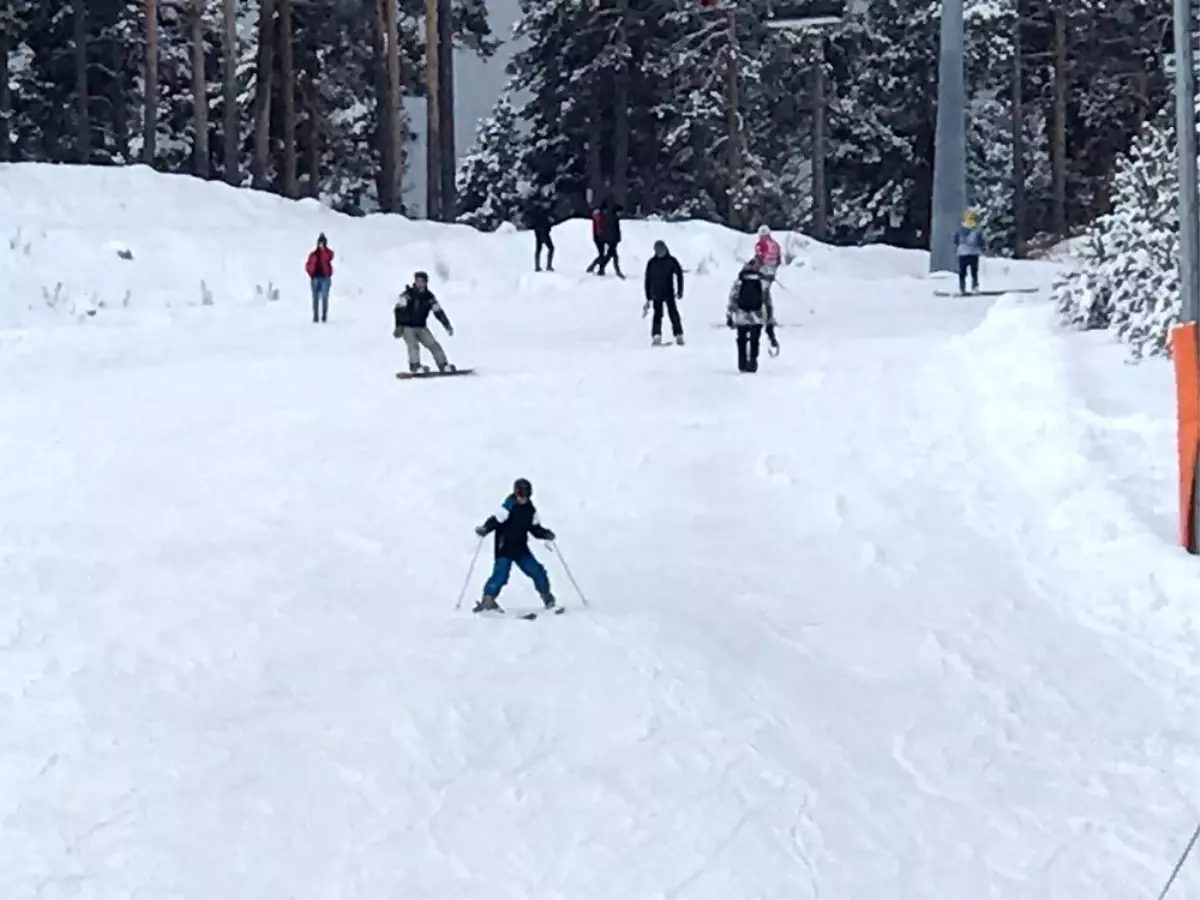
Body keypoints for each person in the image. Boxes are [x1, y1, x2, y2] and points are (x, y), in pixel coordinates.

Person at [472, 478, 558, 613]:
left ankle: (547, 598)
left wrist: (545, 534)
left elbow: (535, 529)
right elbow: (495, 520)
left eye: (526, 496)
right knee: (501, 575)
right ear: (516, 493)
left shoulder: (530, 510)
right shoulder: (508, 505)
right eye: (521, 495)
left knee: (537, 570)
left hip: (520, 548)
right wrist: (485, 529)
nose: (523, 499)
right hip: (504, 547)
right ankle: (488, 600)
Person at [393, 271, 456, 374]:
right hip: (407, 327)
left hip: (421, 326)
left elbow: (438, 311)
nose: (419, 284)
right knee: (413, 346)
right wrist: (398, 326)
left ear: (426, 282)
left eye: (421, 281)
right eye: (417, 281)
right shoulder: (408, 295)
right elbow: (398, 310)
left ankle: (443, 365)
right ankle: (415, 366)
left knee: (433, 344)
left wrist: (446, 324)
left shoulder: (429, 297)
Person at [726, 258, 780, 373]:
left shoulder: (739, 281)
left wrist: (730, 315)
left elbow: (733, 298)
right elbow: (767, 302)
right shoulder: (762, 282)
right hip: (757, 314)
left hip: (741, 314)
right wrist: (769, 318)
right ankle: (753, 362)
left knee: (741, 339)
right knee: (755, 340)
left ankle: (742, 363)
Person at [643, 240, 685, 345]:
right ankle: (656, 335)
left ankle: (678, 334)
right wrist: (648, 296)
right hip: (656, 293)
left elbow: (679, 274)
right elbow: (647, 280)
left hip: (668, 291)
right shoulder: (652, 263)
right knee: (657, 314)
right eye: (657, 251)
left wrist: (680, 290)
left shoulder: (671, 261)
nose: (660, 253)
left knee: (673, 313)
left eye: (661, 250)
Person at [305, 233, 334, 323]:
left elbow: (329, 257)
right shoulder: (313, 254)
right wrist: (311, 273)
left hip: (325, 278)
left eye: (323, 242)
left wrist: (323, 250)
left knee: (324, 297)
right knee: (315, 298)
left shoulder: (327, 253)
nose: (321, 244)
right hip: (315, 278)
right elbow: (308, 264)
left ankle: (324, 315)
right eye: (320, 242)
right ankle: (315, 316)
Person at [953, 211, 985, 294]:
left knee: (962, 272)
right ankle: (975, 287)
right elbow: (981, 242)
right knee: (974, 272)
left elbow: (955, 240)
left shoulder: (960, 230)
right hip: (974, 253)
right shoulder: (977, 230)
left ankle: (962, 288)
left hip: (962, 253)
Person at [527, 198, 555, 272]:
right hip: (542, 232)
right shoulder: (541, 212)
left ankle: (537, 266)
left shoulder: (541, 211)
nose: (548, 205)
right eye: (547, 203)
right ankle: (547, 266)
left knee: (539, 249)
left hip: (540, 232)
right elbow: (541, 222)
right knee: (550, 248)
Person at [754, 225, 782, 297]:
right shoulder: (776, 244)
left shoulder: (760, 244)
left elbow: (759, 258)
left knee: (760, 289)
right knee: (768, 289)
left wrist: (754, 268)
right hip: (773, 271)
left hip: (763, 271)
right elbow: (779, 259)